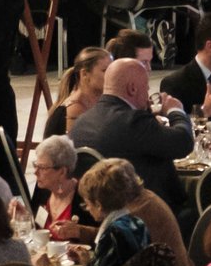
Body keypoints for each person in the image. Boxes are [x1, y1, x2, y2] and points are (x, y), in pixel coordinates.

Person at [67, 56, 195, 212]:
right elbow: (182, 143)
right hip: (143, 214)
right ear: (132, 89)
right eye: (146, 88)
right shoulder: (132, 121)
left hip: (96, 211)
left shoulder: (81, 121)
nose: (148, 93)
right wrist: (176, 111)